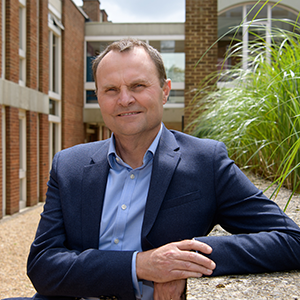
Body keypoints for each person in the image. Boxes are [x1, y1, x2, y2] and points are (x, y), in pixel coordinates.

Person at [24, 38, 300, 300]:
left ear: (165, 90)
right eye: (111, 90)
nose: (124, 99)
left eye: (138, 86)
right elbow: (42, 265)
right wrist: (141, 266)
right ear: (98, 97)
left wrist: (184, 263)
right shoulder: (69, 165)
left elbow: (291, 240)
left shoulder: (206, 161)